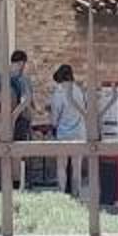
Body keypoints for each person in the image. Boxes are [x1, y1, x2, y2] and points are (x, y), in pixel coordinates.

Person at [45, 64, 92, 196]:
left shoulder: (58, 93)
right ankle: (77, 194)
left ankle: (62, 194)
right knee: (77, 166)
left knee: (62, 166)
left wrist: (50, 114)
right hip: (79, 133)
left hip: (64, 134)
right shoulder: (79, 91)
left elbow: (55, 120)